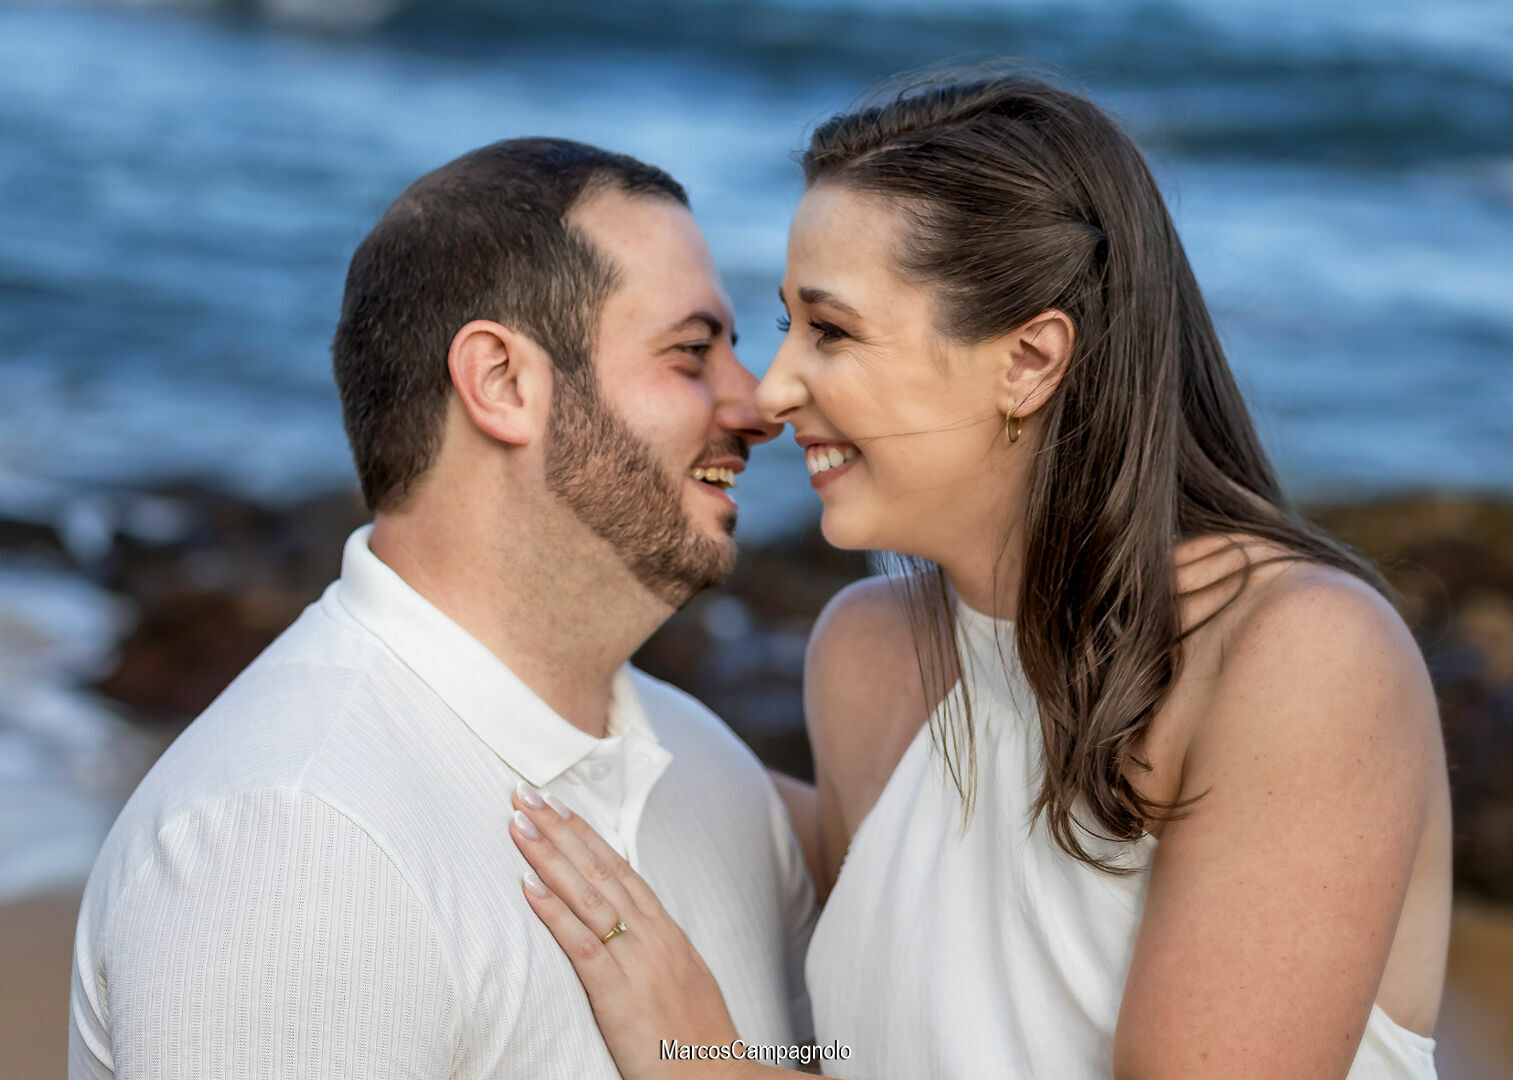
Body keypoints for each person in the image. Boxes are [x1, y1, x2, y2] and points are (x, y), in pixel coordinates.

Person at [506, 75, 1452, 1080]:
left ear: (1030, 361)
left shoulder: (1293, 658)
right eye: (784, 325)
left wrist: (703, 1058)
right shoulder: (869, 657)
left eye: (830, 330)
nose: (774, 390)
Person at [68, 138, 817, 1079]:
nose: (760, 406)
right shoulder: (291, 843)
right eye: (692, 353)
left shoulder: (713, 772)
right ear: (501, 383)